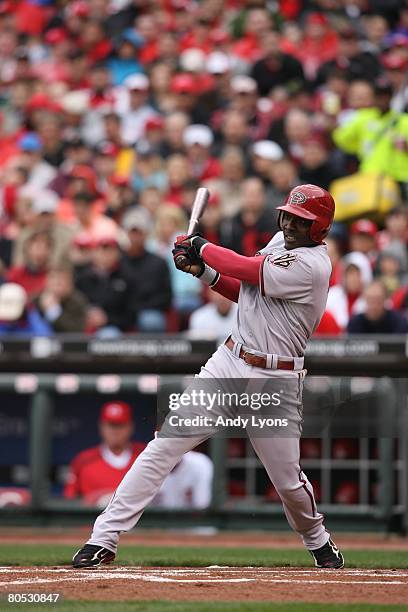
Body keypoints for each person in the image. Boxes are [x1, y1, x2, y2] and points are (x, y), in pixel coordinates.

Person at [72, 183, 344, 570]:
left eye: (301, 221)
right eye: (288, 215)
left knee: (287, 482)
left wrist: (202, 247)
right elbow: (247, 288)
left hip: (276, 380)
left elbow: (249, 269)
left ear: (320, 229)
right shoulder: (278, 243)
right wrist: (203, 271)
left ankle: (318, 540)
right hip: (229, 363)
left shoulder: (314, 265)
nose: (289, 224)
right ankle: (103, 538)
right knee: (164, 445)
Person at [64, 401, 146, 507]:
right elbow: (69, 500)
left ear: (130, 427)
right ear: (102, 427)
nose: (115, 431)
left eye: (120, 425)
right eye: (111, 425)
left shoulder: (145, 456)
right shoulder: (83, 460)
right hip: (92, 522)